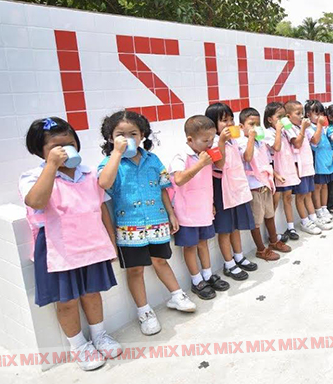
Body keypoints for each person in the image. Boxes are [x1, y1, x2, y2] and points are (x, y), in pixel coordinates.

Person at [20, 117, 121, 371]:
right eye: (57, 146)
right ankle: (79, 346)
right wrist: (51, 166)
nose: (66, 150)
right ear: (40, 151)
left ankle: (99, 335)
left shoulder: (88, 173)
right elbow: (36, 201)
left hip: (91, 244)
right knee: (66, 301)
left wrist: (110, 241)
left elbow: (100, 207)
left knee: (92, 293)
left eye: (70, 143)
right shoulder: (33, 176)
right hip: (59, 249)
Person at [98, 110, 196, 336]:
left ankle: (176, 295)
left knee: (161, 260)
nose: (127, 138)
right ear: (111, 137)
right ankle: (144, 312)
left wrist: (171, 214)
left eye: (133, 133)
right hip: (129, 229)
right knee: (135, 270)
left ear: (142, 135)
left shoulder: (153, 160)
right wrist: (117, 154)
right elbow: (104, 183)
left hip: (157, 222)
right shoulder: (109, 163)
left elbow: (163, 189)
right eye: (120, 134)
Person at [170, 116, 230, 300]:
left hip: (204, 209)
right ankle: (196, 281)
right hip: (186, 212)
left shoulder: (207, 152)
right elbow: (179, 179)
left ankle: (207, 274)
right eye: (205, 140)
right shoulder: (181, 155)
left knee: (204, 243)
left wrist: (219, 143)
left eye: (211, 139)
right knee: (190, 247)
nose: (209, 143)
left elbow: (220, 165)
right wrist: (200, 163)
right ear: (190, 139)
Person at [204, 103, 259, 281]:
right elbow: (219, 164)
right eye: (223, 120)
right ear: (213, 124)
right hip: (221, 188)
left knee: (235, 225)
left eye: (231, 119)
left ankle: (239, 256)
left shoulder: (234, 140)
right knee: (225, 228)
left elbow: (246, 158)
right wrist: (220, 141)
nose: (229, 124)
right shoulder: (212, 142)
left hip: (235, 186)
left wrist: (249, 138)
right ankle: (229, 264)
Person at [238, 107, 291, 260]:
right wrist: (250, 138)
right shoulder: (241, 142)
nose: (255, 128)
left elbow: (266, 162)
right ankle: (261, 249)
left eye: (257, 124)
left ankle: (274, 241)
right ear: (241, 127)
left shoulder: (260, 142)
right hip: (253, 188)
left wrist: (275, 175)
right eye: (251, 124)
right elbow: (247, 158)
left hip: (265, 185)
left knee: (269, 215)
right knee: (256, 221)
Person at [285, 100, 331, 234]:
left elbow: (315, 141)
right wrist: (304, 129)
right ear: (288, 116)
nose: (301, 116)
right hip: (299, 168)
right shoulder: (290, 129)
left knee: (308, 194)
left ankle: (313, 218)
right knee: (300, 196)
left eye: (302, 113)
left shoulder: (303, 127)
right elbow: (297, 144)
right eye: (298, 113)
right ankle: (305, 221)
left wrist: (319, 126)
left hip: (308, 167)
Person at [263, 102, 301, 242]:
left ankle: (290, 227)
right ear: (270, 119)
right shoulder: (268, 133)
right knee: (274, 202)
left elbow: (294, 145)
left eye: (284, 116)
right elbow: (276, 148)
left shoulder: (286, 131)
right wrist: (278, 130)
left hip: (287, 168)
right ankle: (273, 233)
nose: (282, 120)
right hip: (276, 171)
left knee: (288, 198)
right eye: (279, 117)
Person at [305, 100, 333, 217]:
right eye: (317, 114)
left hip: (326, 159)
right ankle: (318, 210)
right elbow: (315, 141)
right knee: (318, 186)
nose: (320, 116)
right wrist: (319, 125)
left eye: (321, 114)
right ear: (308, 115)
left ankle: (324, 208)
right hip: (318, 162)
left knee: (325, 185)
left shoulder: (323, 127)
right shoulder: (309, 128)